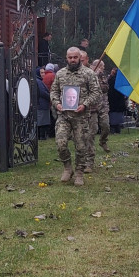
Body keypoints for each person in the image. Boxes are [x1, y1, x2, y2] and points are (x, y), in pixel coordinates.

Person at [49, 46, 99, 186]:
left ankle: (79, 173)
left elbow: (96, 93)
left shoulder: (88, 73)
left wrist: (85, 104)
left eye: (75, 57)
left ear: (79, 58)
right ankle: (67, 167)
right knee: (61, 143)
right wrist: (57, 103)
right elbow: (53, 91)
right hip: (63, 116)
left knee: (81, 147)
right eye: (70, 57)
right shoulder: (60, 74)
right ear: (66, 58)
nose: (72, 60)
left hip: (81, 117)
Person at [91, 59, 111, 153]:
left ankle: (103, 141)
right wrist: (95, 75)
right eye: (102, 67)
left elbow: (106, 88)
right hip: (92, 106)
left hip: (103, 104)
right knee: (93, 128)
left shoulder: (103, 76)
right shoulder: (89, 74)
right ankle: (89, 147)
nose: (103, 69)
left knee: (106, 125)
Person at [36, 67, 52, 140]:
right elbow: (43, 92)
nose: (43, 74)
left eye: (44, 72)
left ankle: (42, 136)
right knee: (42, 121)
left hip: (42, 103)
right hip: (42, 103)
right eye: (41, 72)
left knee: (43, 120)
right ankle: (41, 136)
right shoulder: (39, 81)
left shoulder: (40, 81)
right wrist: (50, 97)